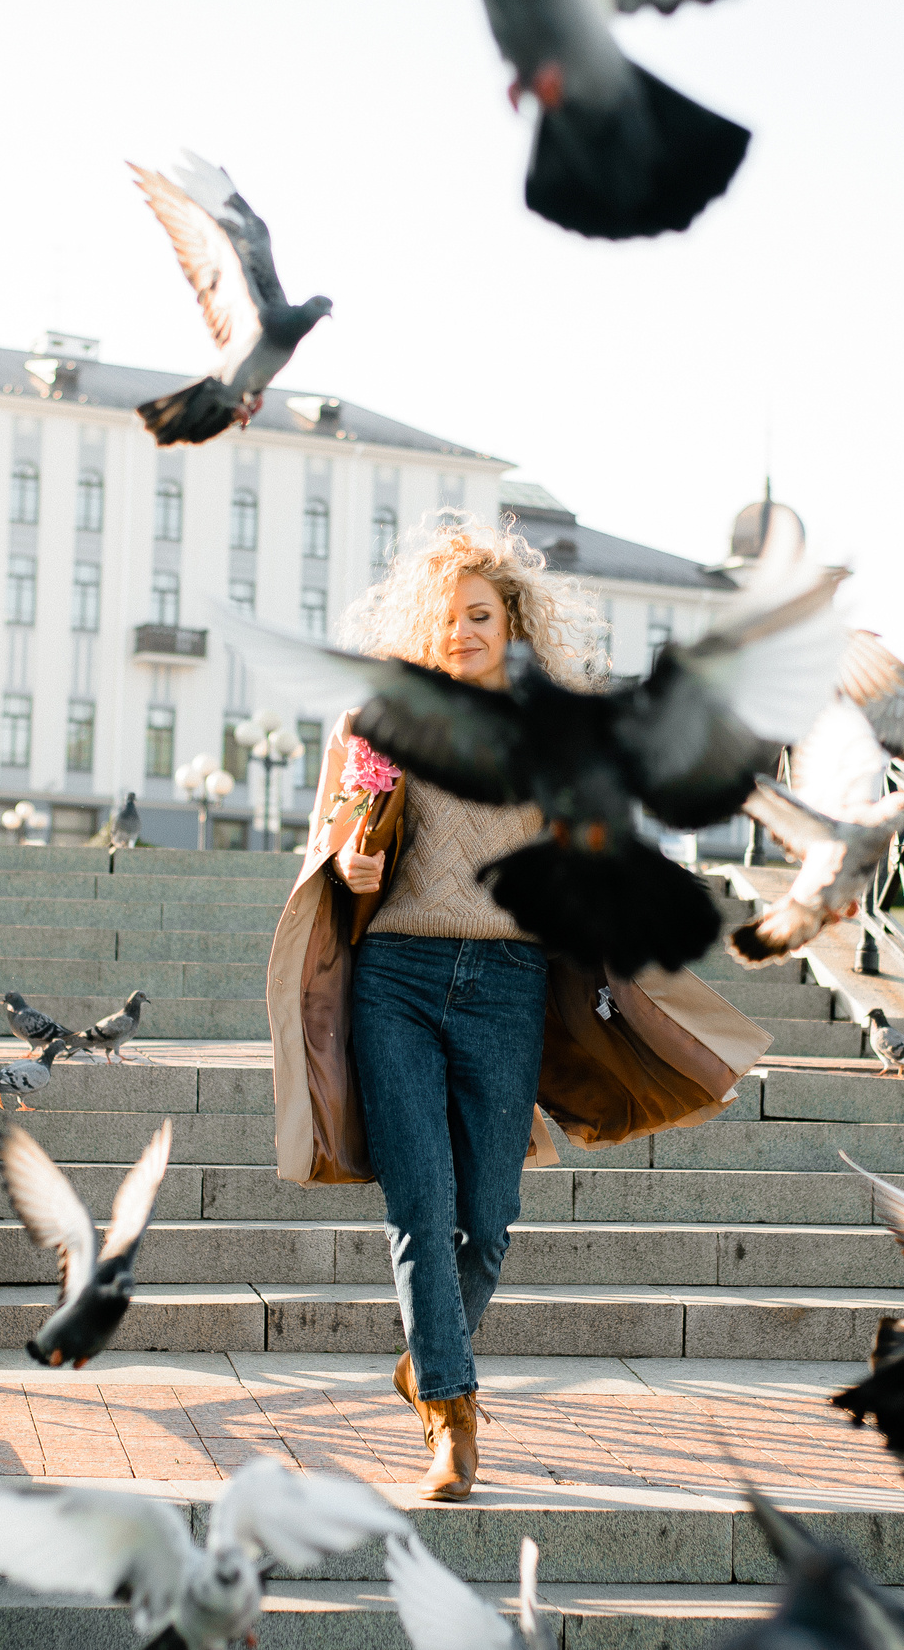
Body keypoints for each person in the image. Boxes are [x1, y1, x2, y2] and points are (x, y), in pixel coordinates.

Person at [264, 519, 770, 1502]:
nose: (462, 632)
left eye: (481, 615)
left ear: (514, 622)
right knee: (422, 1209)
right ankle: (450, 1424)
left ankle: (428, 1357)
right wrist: (348, 857)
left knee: (487, 1223)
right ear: (426, 625)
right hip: (396, 979)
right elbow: (330, 838)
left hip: (505, 986)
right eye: (447, 617)